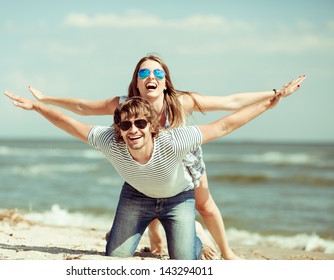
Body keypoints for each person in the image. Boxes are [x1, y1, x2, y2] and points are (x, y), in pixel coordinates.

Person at [28, 54, 306, 259]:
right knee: (147, 187)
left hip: (182, 154)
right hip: (144, 162)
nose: (152, 77)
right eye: (144, 73)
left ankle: (223, 249)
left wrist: (273, 95)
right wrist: (45, 100)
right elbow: (81, 108)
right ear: (135, 84)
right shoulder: (124, 108)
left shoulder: (179, 101)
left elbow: (230, 106)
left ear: (165, 82)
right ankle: (150, 239)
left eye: (158, 74)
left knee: (205, 205)